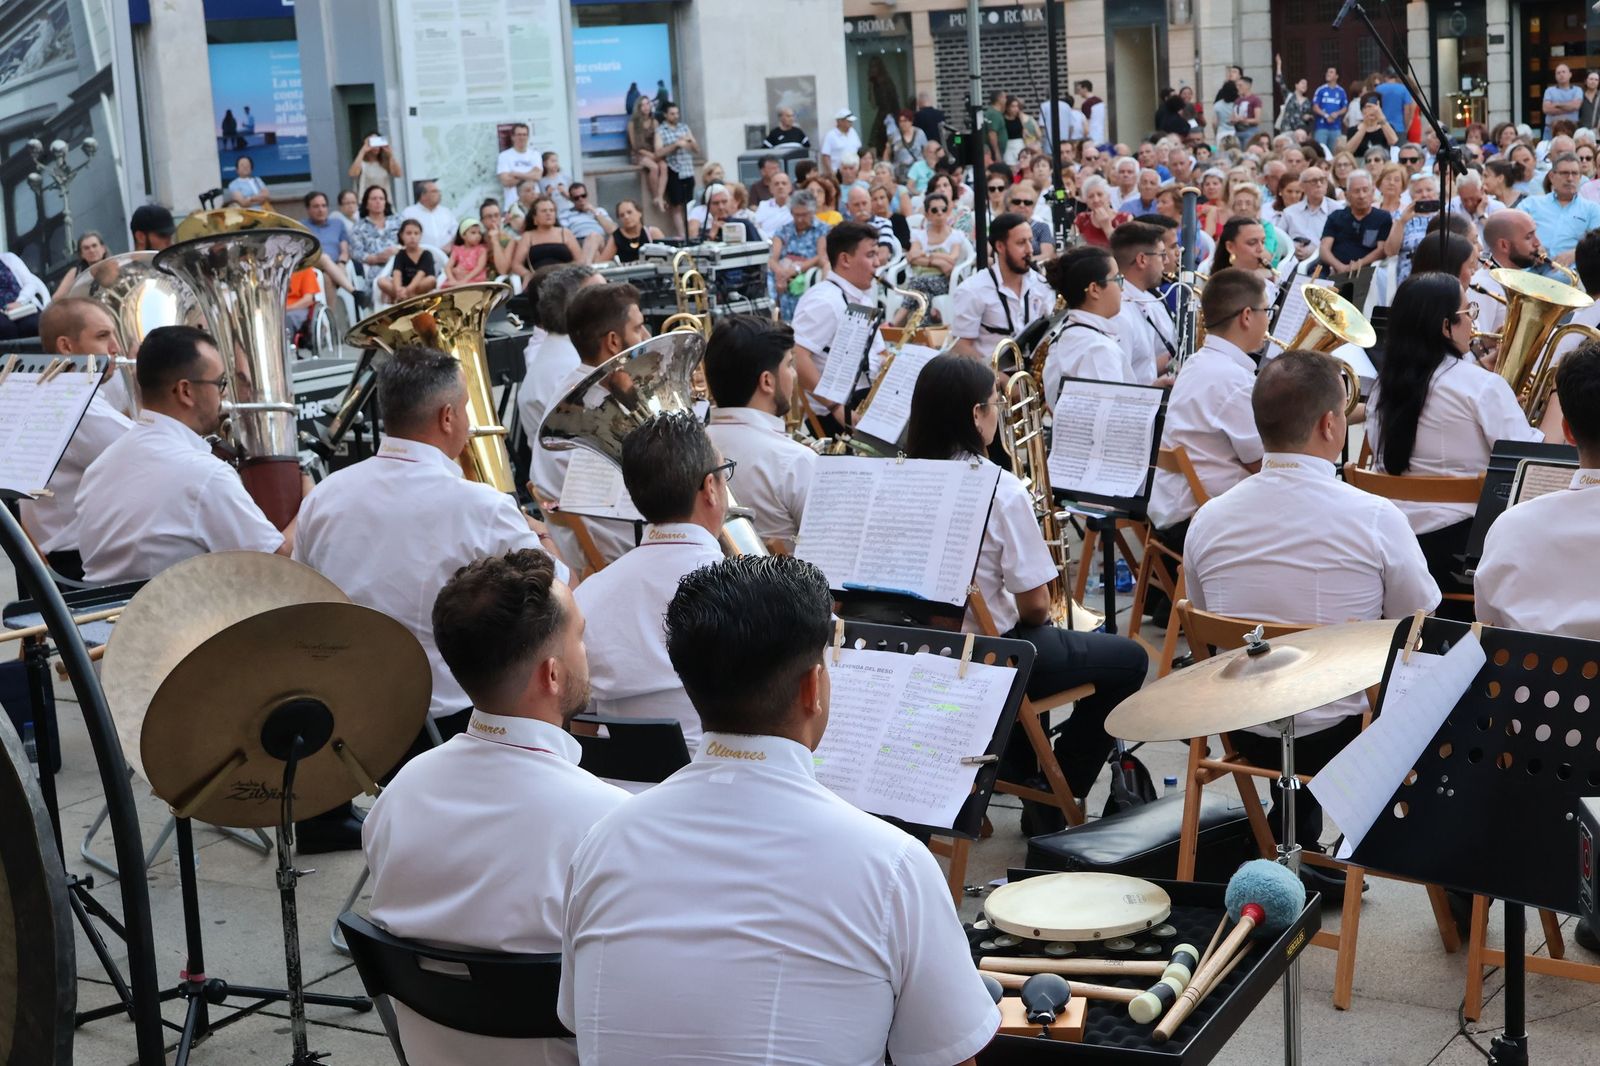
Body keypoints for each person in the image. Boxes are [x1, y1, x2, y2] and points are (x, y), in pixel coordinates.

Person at [561, 552, 1000, 1062]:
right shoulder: (894, 866)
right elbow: (951, 1057)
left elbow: (583, 1020)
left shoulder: (600, 845)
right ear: (812, 688)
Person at [364, 548, 625, 1066]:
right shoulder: (606, 821)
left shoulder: (399, 795)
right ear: (551, 675)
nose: (586, 648)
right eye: (580, 635)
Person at [1185, 349, 1440, 858]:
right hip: (1338, 733)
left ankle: (1295, 832)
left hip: (1246, 729)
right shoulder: (1373, 516)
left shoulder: (1208, 519)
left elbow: (1206, 621)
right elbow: (1420, 618)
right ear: (1330, 424)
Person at [905, 355, 1149, 825]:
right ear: (975, 415)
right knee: (1128, 659)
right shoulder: (999, 488)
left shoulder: (899, 480)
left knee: (1016, 645)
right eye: (994, 405)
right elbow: (1035, 607)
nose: (998, 414)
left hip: (918, 653)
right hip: (987, 660)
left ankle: (1022, 773)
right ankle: (1055, 790)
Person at [294, 343, 562, 758]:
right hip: (452, 723)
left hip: (348, 724)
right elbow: (558, 594)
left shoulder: (323, 497)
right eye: (468, 409)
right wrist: (542, 533)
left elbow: (304, 601)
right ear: (447, 416)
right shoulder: (484, 507)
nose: (471, 425)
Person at [1366, 272, 1547, 602]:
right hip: (1462, 553)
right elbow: (1530, 464)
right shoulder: (1482, 387)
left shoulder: (1381, 389)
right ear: (1445, 326)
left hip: (1390, 543)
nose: (1473, 325)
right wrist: (1556, 404)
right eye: (1468, 314)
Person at [75, 325, 296, 584]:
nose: (222, 396)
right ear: (186, 391)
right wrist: (311, 503)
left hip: (102, 616)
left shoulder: (98, 468)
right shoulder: (204, 474)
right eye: (220, 384)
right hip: (177, 619)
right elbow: (276, 564)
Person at [570, 413, 727, 752]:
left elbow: (582, 721)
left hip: (617, 791)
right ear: (710, 488)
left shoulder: (586, 597)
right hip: (719, 790)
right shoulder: (747, 593)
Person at [532, 281, 651, 570]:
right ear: (613, 341)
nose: (646, 337)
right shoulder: (589, 406)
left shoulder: (578, 387)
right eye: (638, 329)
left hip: (597, 551)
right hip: (621, 557)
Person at [1147, 269, 1269, 546]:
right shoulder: (1233, 380)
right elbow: (1264, 465)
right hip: (1204, 523)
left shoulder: (1198, 362)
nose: (1268, 319)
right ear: (1247, 316)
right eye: (1267, 310)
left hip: (1172, 512)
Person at [18, 299, 133, 579]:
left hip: (62, 556)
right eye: (103, 336)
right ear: (66, 346)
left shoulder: (52, 391)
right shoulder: (74, 404)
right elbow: (160, 456)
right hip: (76, 562)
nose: (116, 348)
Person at [702, 317, 815, 552]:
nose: (793, 375)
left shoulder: (691, 446)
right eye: (789, 365)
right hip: (788, 586)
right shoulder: (796, 461)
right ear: (767, 381)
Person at [790, 220, 886, 432]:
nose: (877, 263)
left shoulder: (862, 299)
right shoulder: (823, 300)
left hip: (863, 397)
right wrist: (835, 407)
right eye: (870, 255)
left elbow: (880, 354)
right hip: (834, 412)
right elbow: (797, 356)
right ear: (845, 259)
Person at [949, 212, 1055, 362]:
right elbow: (960, 347)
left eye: (1030, 241)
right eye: (1021, 243)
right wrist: (1001, 379)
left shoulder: (1040, 284)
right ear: (1000, 246)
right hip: (987, 377)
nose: (1030, 249)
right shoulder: (972, 290)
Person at [1040, 246, 1130, 407]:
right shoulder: (1098, 350)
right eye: (1117, 279)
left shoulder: (1067, 336)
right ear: (1094, 289)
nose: (1122, 288)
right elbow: (1109, 418)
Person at [1110, 220, 1177, 385]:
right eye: (1161, 255)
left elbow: (1144, 366)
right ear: (1142, 260)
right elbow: (1119, 383)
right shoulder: (1120, 311)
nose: (1166, 261)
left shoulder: (1148, 297)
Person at [1522, 152, 1600, 263]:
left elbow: (1597, 244)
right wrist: (1529, 247)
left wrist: (1577, 253)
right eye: (1564, 173)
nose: (1570, 178)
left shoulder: (1592, 210)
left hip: (1567, 275)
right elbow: (1512, 231)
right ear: (1552, 177)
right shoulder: (1531, 204)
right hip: (1528, 269)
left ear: (1580, 177)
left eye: (1575, 173)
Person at [768, 189, 829, 321]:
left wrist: (796, 270)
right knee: (768, 277)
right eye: (796, 215)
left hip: (806, 270)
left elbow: (821, 256)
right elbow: (772, 259)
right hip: (783, 269)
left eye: (804, 214)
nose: (800, 219)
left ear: (812, 212)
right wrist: (781, 273)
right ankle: (774, 318)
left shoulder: (821, 229)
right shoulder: (784, 230)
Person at [903, 191, 971, 309]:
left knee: (917, 285)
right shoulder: (919, 235)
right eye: (934, 210)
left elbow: (951, 259)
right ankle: (923, 324)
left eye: (943, 209)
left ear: (948, 211)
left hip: (946, 281)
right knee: (924, 294)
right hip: (923, 280)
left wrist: (925, 255)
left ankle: (896, 322)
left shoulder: (956, 235)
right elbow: (912, 257)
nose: (939, 213)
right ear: (927, 214)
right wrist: (938, 262)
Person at [1320, 169, 1392, 277]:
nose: (1361, 195)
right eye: (1356, 191)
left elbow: (1381, 250)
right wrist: (1340, 267)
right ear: (1347, 195)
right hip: (1334, 270)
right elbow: (1324, 249)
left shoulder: (1383, 217)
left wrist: (1359, 264)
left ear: (1372, 192)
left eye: (1365, 190)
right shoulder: (1336, 216)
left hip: (1366, 272)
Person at [653, 102, 699, 234]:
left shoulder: (684, 128)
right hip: (674, 171)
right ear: (665, 115)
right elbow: (658, 153)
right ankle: (682, 235)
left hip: (688, 170)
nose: (676, 116)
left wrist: (690, 141)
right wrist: (676, 145)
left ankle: (691, 234)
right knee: (677, 207)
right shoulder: (661, 131)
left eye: (677, 113)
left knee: (689, 206)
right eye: (672, 114)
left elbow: (697, 150)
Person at [513, 196, 582, 284]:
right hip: (538, 280)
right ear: (535, 217)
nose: (548, 213)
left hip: (565, 279)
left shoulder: (565, 233)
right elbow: (516, 264)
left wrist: (564, 269)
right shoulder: (528, 236)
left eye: (551, 210)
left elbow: (579, 260)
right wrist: (527, 274)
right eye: (544, 211)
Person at [377, 219, 439, 304]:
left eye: (416, 233)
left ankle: (404, 298)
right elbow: (397, 274)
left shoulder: (427, 254)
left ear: (421, 235)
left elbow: (420, 275)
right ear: (402, 235)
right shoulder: (400, 254)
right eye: (408, 233)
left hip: (419, 286)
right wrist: (398, 289)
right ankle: (410, 298)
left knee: (431, 280)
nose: (412, 237)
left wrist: (408, 290)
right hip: (402, 287)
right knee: (381, 281)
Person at [350, 185, 402, 277]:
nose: (378, 202)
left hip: (401, 264)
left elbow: (411, 241)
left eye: (381, 199)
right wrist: (377, 258)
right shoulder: (358, 227)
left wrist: (398, 250)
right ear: (366, 204)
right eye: (374, 199)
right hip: (376, 270)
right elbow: (357, 254)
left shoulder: (398, 221)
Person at [597, 199, 661, 264]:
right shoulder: (616, 237)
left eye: (629, 212)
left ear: (639, 213)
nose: (626, 217)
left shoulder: (652, 233)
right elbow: (602, 262)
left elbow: (667, 257)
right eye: (622, 215)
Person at [1073, 176, 1131, 248]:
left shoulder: (1125, 218)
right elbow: (1072, 245)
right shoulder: (1081, 219)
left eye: (1100, 195)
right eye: (1091, 196)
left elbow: (1126, 248)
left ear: (1108, 197)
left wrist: (1107, 227)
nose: (1096, 200)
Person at [401, 179, 459, 252]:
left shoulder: (446, 212)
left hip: (447, 256)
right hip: (420, 257)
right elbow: (403, 236)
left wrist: (450, 246)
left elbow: (457, 232)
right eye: (434, 191)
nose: (439, 194)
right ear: (423, 195)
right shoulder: (409, 213)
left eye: (438, 191)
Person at [496, 122, 542, 209]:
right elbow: (506, 181)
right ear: (513, 137)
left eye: (524, 135)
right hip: (513, 204)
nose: (522, 138)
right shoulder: (504, 156)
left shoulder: (535, 154)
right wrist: (529, 175)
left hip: (534, 205)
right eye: (519, 135)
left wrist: (516, 174)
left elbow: (537, 176)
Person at [51, 230, 108, 301]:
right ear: (81, 254)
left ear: (103, 249)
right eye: (86, 248)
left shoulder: (117, 267)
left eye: (94, 246)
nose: (91, 250)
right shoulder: (75, 272)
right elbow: (56, 299)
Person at [348, 132, 402, 201]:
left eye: (378, 142)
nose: (376, 147)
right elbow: (352, 174)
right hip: (366, 200)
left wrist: (390, 155)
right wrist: (363, 150)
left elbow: (398, 174)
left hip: (384, 200)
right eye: (373, 142)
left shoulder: (385, 163)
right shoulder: (362, 163)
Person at [444, 218, 490, 286]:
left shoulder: (482, 250)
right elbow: (448, 267)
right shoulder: (457, 250)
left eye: (479, 233)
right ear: (463, 235)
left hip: (475, 279)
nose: (478, 236)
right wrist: (452, 280)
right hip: (457, 279)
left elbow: (479, 267)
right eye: (473, 233)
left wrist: (465, 280)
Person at [1543, 63, 1584, 140]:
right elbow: (1546, 109)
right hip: (1551, 130)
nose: (1561, 74)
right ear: (1555, 76)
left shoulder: (1577, 90)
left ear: (1570, 74)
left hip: (1571, 130)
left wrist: (1556, 105)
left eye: (1563, 72)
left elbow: (1575, 106)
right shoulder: (1549, 91)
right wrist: (1568, 107)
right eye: (1558, 73)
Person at [820, 107, 862, 176]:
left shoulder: (853, 132)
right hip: (838, 172)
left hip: (854, 171)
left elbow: (859, 150)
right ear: (839, 121)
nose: (851, 123)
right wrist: (831, 172)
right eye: (848, 121)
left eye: (851, 121)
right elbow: (825, 155)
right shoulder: (831, 135)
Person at [752, 171, 794, 235]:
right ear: (771, 189)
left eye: (784, 183)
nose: (780, 187)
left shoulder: (797, 206)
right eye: (776, 184)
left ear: (790, 187)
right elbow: (757, 227)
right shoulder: (763, 206)